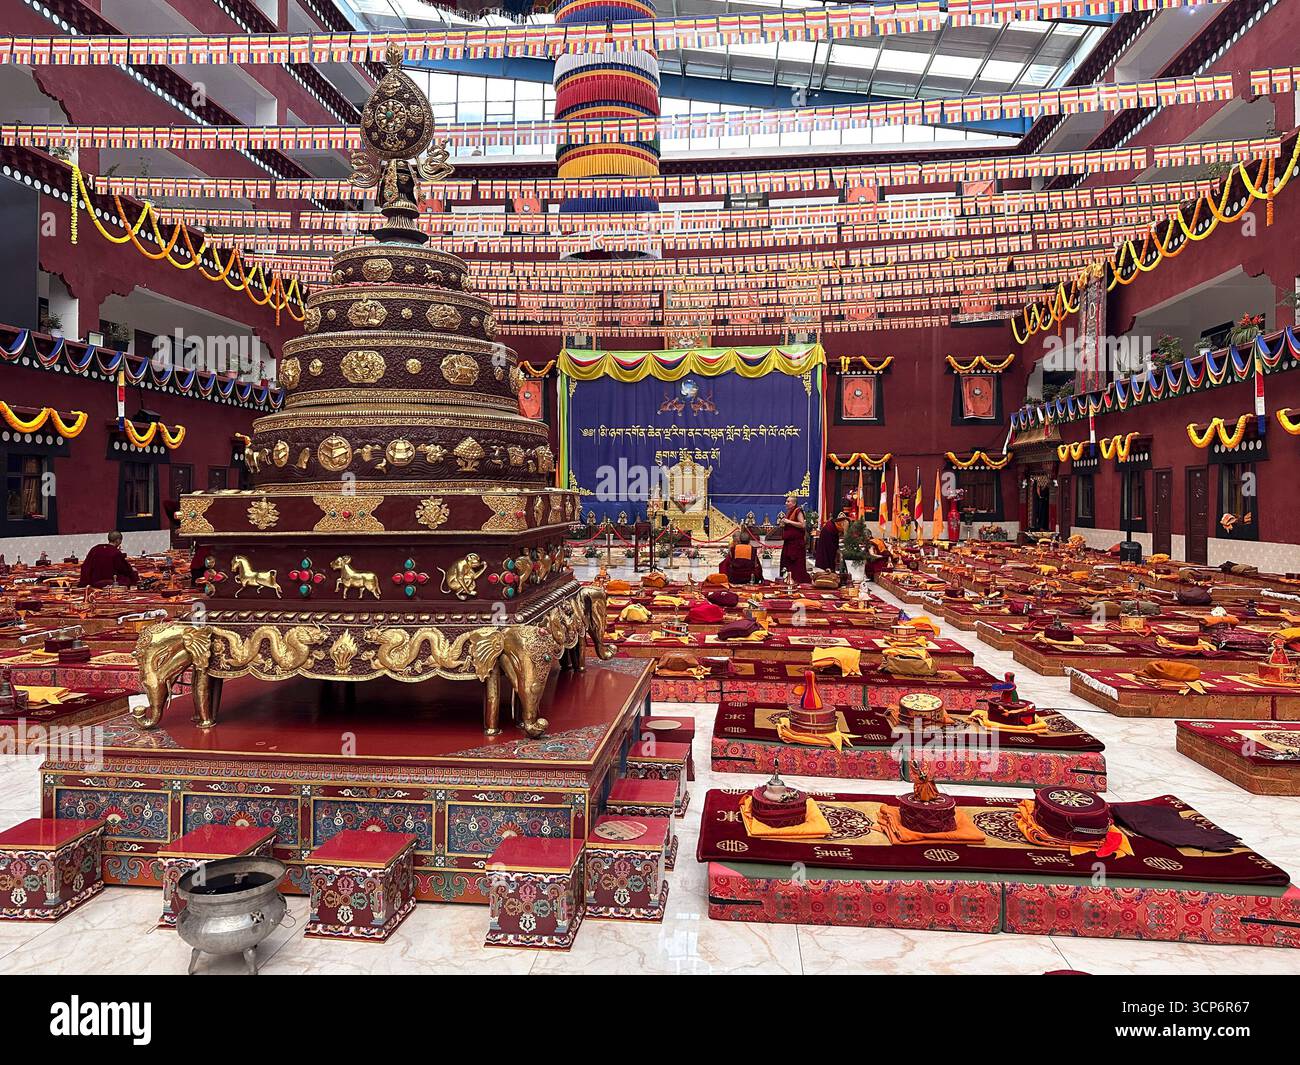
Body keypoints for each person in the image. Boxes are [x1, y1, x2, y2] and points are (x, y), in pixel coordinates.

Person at [777, 494, 810, 584]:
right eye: (786, 501)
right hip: (789, 542)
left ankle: (797, 580)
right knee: (786, 562)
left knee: (795, 563)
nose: (786, 503)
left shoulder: (798, 511)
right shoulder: (790, 512)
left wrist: (788, 522)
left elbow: (802, 524)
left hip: (796, 543)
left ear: (794, 503)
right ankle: (787, 579)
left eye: (788, 501)